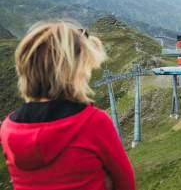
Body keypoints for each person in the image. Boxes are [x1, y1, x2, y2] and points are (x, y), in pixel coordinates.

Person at [0, 20, 136, 190]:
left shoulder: (8, 128)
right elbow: (125, 183)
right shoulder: (93, 123)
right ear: (73, 72)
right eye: (86, 67)